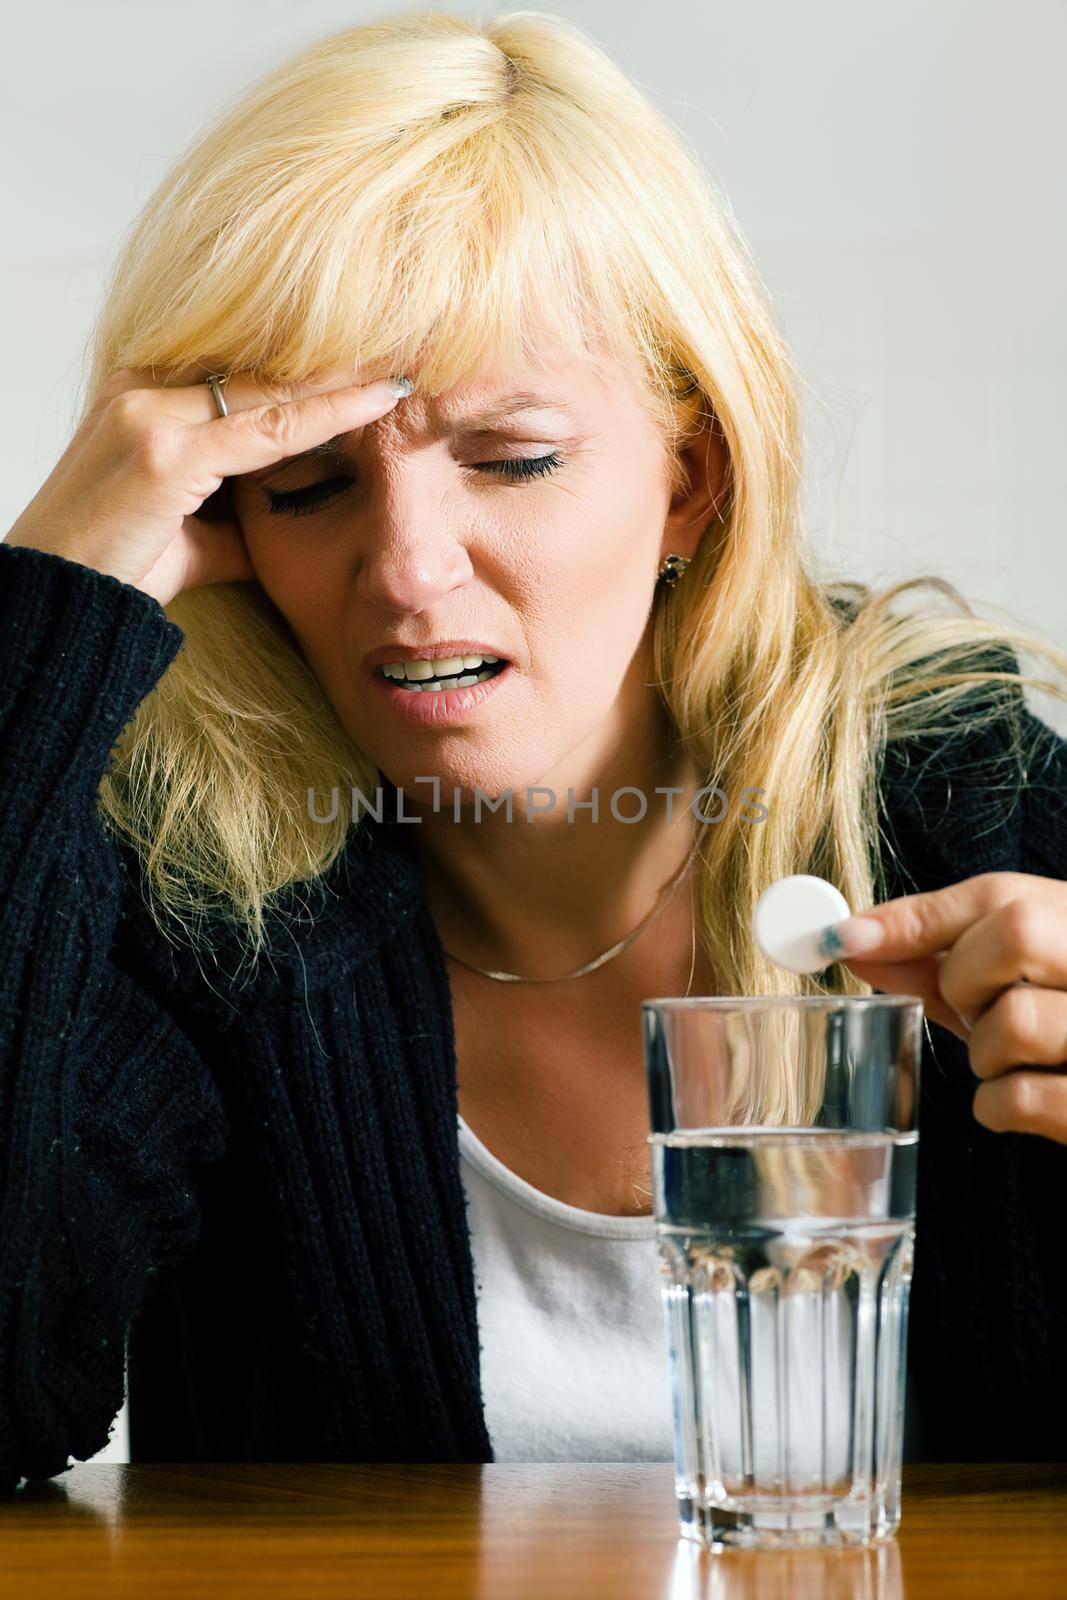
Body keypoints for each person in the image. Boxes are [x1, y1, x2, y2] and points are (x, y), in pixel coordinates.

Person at [1, 8, 1065, 1487]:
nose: (408, 569)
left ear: (692, 483)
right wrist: (42, 623)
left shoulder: (965, 800)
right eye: (306, 484)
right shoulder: (194, 903)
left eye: (512, 460)